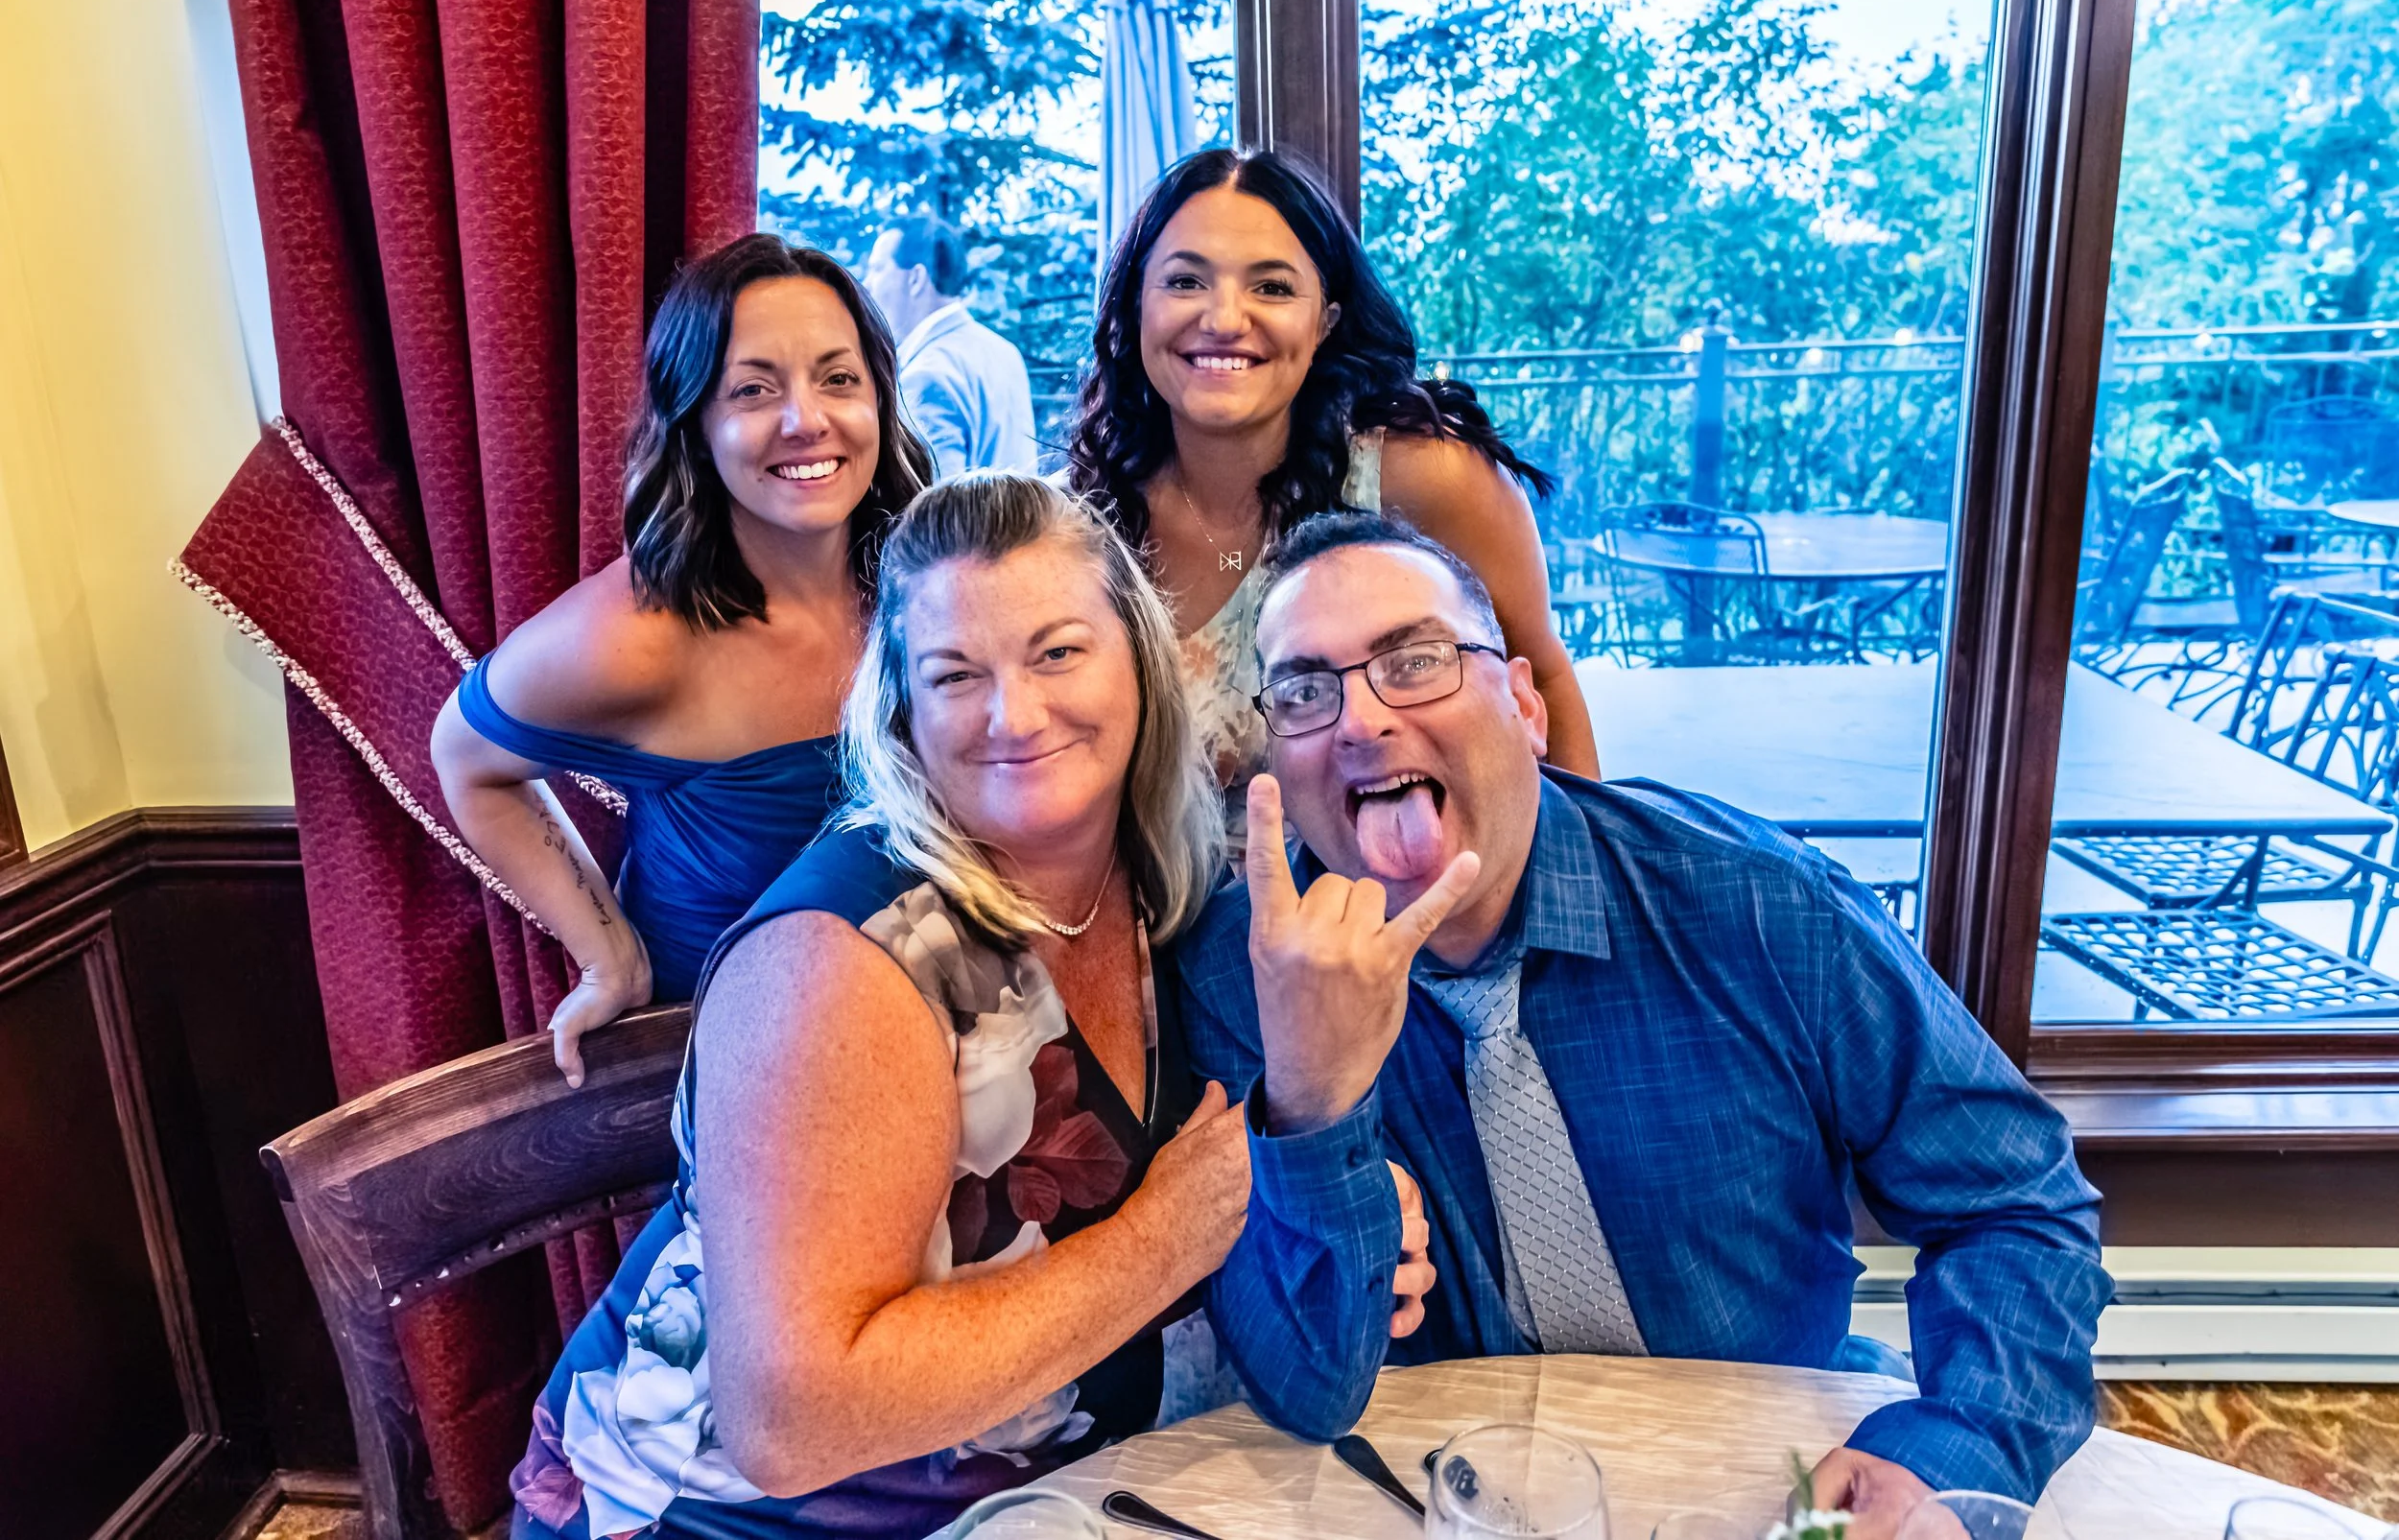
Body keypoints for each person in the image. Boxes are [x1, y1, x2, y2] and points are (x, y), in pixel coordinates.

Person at [506, 476, 1443, 1540]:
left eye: (1058, 652)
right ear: (901, 708)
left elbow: (1276, 1292)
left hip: (1040, 1504)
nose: (1016, 714)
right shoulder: (842, 959)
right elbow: (788, 1423)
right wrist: (1168, 1234)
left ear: (1142, 659)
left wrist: (1321, 1169)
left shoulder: (1169, 893)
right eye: (956, 674)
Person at [1181, 511, 2115, 1538]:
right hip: (1435, 1498)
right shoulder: (1238, 973)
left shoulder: (1756, 905)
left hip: (1767, 1478)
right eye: (1305, 692)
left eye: (1415, 661)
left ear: (1524, 704)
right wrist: (1312, 1094)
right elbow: (1309, 1387)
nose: (1360, 720)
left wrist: (1949, 1448)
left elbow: (2016, 1202)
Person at [432, 234, 928, 1083]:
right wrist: (609, 958)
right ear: (695, 422)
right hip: (736, 1069)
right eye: (753, 389)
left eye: (838, 379)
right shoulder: (636, 635)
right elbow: (464, 754)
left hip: (930, 1037)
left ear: (879, 399)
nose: (805, 419)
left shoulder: (927, 581)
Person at [1067, 149, 1601, 817]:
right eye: (1185, 282)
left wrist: (1582, 872)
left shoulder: (1422, 478)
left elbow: (1541, 680)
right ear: (1134, 305)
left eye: (1272, 288)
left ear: (1326, 320)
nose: (1225, 319)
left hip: (1401, 881)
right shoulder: (1083, 519)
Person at [864, 212, 1040, 480]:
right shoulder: (1005, 352)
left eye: (877, 269)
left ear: (916, 279)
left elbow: (933, 500)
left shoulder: (926, 375)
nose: (867, 285)